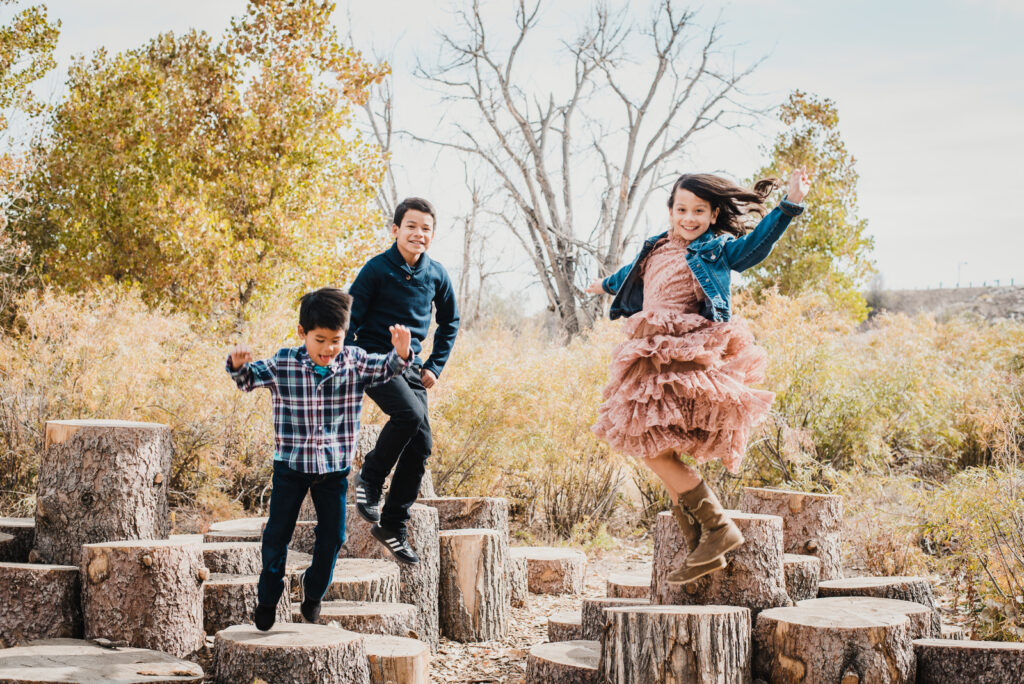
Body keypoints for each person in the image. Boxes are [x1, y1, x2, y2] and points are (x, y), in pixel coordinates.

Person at [588, 168, 811, 584]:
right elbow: (630, 276)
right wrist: (603, 284)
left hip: (683, 351)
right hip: (650, 354)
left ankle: (719, 528)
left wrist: (789, 206)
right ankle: (700, 546)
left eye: (699, 211)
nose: (688, 218)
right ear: (670, 211)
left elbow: (753, 249)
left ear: (712, 216)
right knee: (658, 446)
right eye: (682, 209)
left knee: (653, 449)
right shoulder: (656, 246)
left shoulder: (715, 248)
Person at [227, 287, 412, 630]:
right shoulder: (284, 362)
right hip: (291, 468)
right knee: (276, 535)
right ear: (302, 334)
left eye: (336, 340)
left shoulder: (353, 361)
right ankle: (268, 598)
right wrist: (239, 367)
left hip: (333, 471)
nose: (328, 349)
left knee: (332, 538)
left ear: (346, 336)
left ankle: (313, 594)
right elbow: (248, 380)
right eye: (320, 340)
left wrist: (400, 353)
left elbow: (385, 368)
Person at [347, 197, 460, 564]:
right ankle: (370, 478)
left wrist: (435, 365)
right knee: (409, 417)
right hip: (374, 357)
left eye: (425, 228)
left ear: (432, 235)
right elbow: (350, 319)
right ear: (396, 230)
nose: (418, 234)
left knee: (421, 443)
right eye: (411, 226)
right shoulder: (376, 270)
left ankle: (393, 524)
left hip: (411, 365)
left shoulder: (436, 275)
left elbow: (450, 322)